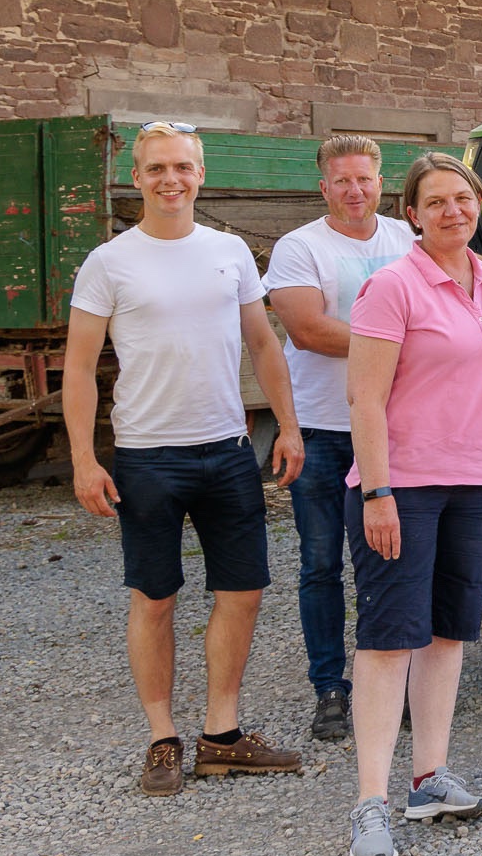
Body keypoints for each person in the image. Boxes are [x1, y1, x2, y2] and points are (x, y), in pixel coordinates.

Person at [64, 120, 306, 799]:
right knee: (154, 598)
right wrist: (84, 459)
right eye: (156, 168)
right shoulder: (109, 262)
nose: (170, 179)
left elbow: (263, 344)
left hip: (227, 449)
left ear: (200, 174)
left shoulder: (229, 252)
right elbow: (79, 368)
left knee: (244, 592)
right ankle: (162, 737)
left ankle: (221, 735)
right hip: (146, 457)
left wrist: (288, 428)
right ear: (136, 178)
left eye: (182, 167)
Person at [342, 152, 482, 856]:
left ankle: (429, 778)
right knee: (390, 640)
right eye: (437, 202)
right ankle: (370, 801)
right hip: (404, 486)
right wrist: (378, 491)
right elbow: (364, 397)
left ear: (479, 205)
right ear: (412, 214)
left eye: (463, 198)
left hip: (473, 481)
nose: (453, 211)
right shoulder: (391, 287)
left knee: (448, 633)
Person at [265, 134, 415, 741]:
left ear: (382, 183)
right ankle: (330, 686)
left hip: (393, 426)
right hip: (324, 426)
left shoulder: (407, 240)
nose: (355, 191)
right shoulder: (300, 247)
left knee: (392, 557)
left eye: (365, 179)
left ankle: (394, 681)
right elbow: (307, 330)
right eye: (343, 181)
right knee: (322, 562)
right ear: (324, 186)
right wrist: (402, 338)